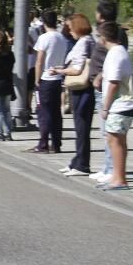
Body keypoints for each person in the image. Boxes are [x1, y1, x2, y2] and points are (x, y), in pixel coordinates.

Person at [49, 13, 96, 175]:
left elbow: (78, 68)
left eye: (70, 27)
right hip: (82, 89)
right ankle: (77, 161)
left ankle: (82, 164)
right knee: (80, 128)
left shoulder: (84, 42)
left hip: (82, 88)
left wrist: (59, 70)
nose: (69, 31)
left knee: (82, 127)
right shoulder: (87, 41)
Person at [88, 0, 128, 182]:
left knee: (109, 132)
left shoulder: (112, 35)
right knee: (107, 132)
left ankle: (111, 170)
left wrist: (100, 76)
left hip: (107, 89)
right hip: (102, 86)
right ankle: (107, 167)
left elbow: (113, 66)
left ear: (100, 14)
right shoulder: (112, 31)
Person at [97, 21, 133, 191]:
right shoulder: (120, 52)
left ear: (104, 37)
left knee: (115, 141)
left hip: (120, 104)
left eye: (99, 36)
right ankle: (116, 176)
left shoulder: (115, 54)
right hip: (124, 104)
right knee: (116, 140)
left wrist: (105, 107)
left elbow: (114, 82)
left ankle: (120, 179)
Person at [28, 10, 67, 153]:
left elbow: (39, 61)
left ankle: (43, 143)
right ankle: (56, 143)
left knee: (43, 112)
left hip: (46, 78)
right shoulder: (61, 38)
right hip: (58, 78)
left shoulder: (44, 38)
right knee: (56, 112)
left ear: (44, 23)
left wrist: (37, 80)